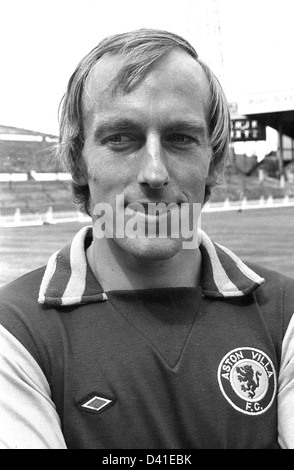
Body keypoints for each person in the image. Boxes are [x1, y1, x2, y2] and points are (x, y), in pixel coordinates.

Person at [0, 28, 293, 450]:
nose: (154, 173)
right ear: (79, 162)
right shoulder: (15, 332)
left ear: (213, 161)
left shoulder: (285, 315)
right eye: (120, 138)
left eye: (180, 138)